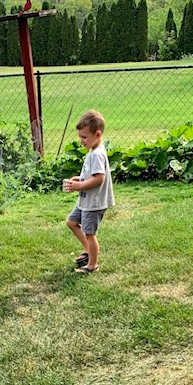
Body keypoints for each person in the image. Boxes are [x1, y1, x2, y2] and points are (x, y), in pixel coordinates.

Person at [64, 109, 115, 274]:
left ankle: (92, 265)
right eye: (80, 137)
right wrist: (80, 179)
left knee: (90, 233)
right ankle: (88, 250)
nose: (81, 141)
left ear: (97, 134)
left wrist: (79, 186)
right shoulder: (93, 151)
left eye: (84, 137)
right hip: (86, 200)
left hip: (94, 203)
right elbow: (92, 175)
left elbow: (99, 178)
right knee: (71, 222)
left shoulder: (96, 154)